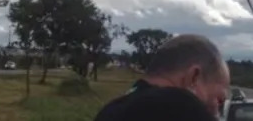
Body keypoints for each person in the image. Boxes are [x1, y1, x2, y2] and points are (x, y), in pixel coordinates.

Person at [94, 34, 230, 121]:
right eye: (219, 100)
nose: (217, 109)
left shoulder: (110, 110)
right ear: (193, 77)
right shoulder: (182, 107)